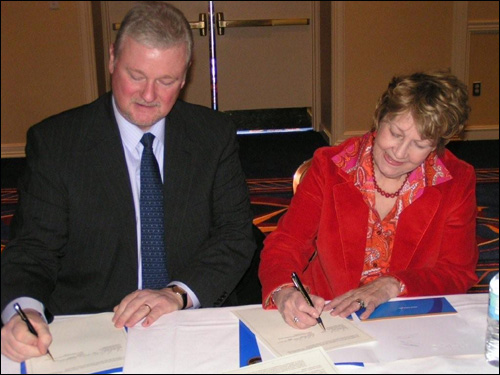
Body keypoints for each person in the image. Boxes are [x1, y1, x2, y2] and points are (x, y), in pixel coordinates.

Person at [1, 2, 256, 362]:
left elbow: (234, 236)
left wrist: (177, 294)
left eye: (166, 81)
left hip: (187, 321)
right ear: (111, 60)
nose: (149, 95)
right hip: (94, 327)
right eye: (136, 76)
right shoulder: (57, 143)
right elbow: (33, 251)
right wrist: (22, 312)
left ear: (184, 77)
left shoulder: (213, 136)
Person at [259, 70, 479, 329]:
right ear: (379, 117)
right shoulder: (330, 167)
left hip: (405, 314)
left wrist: (393, 284)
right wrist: (285, 292)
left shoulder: (456, 181)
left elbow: (457, 272)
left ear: (437, 146)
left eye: (419, 144)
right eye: (395, 133)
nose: (399, 152)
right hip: (327, 312)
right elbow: (287, 243)